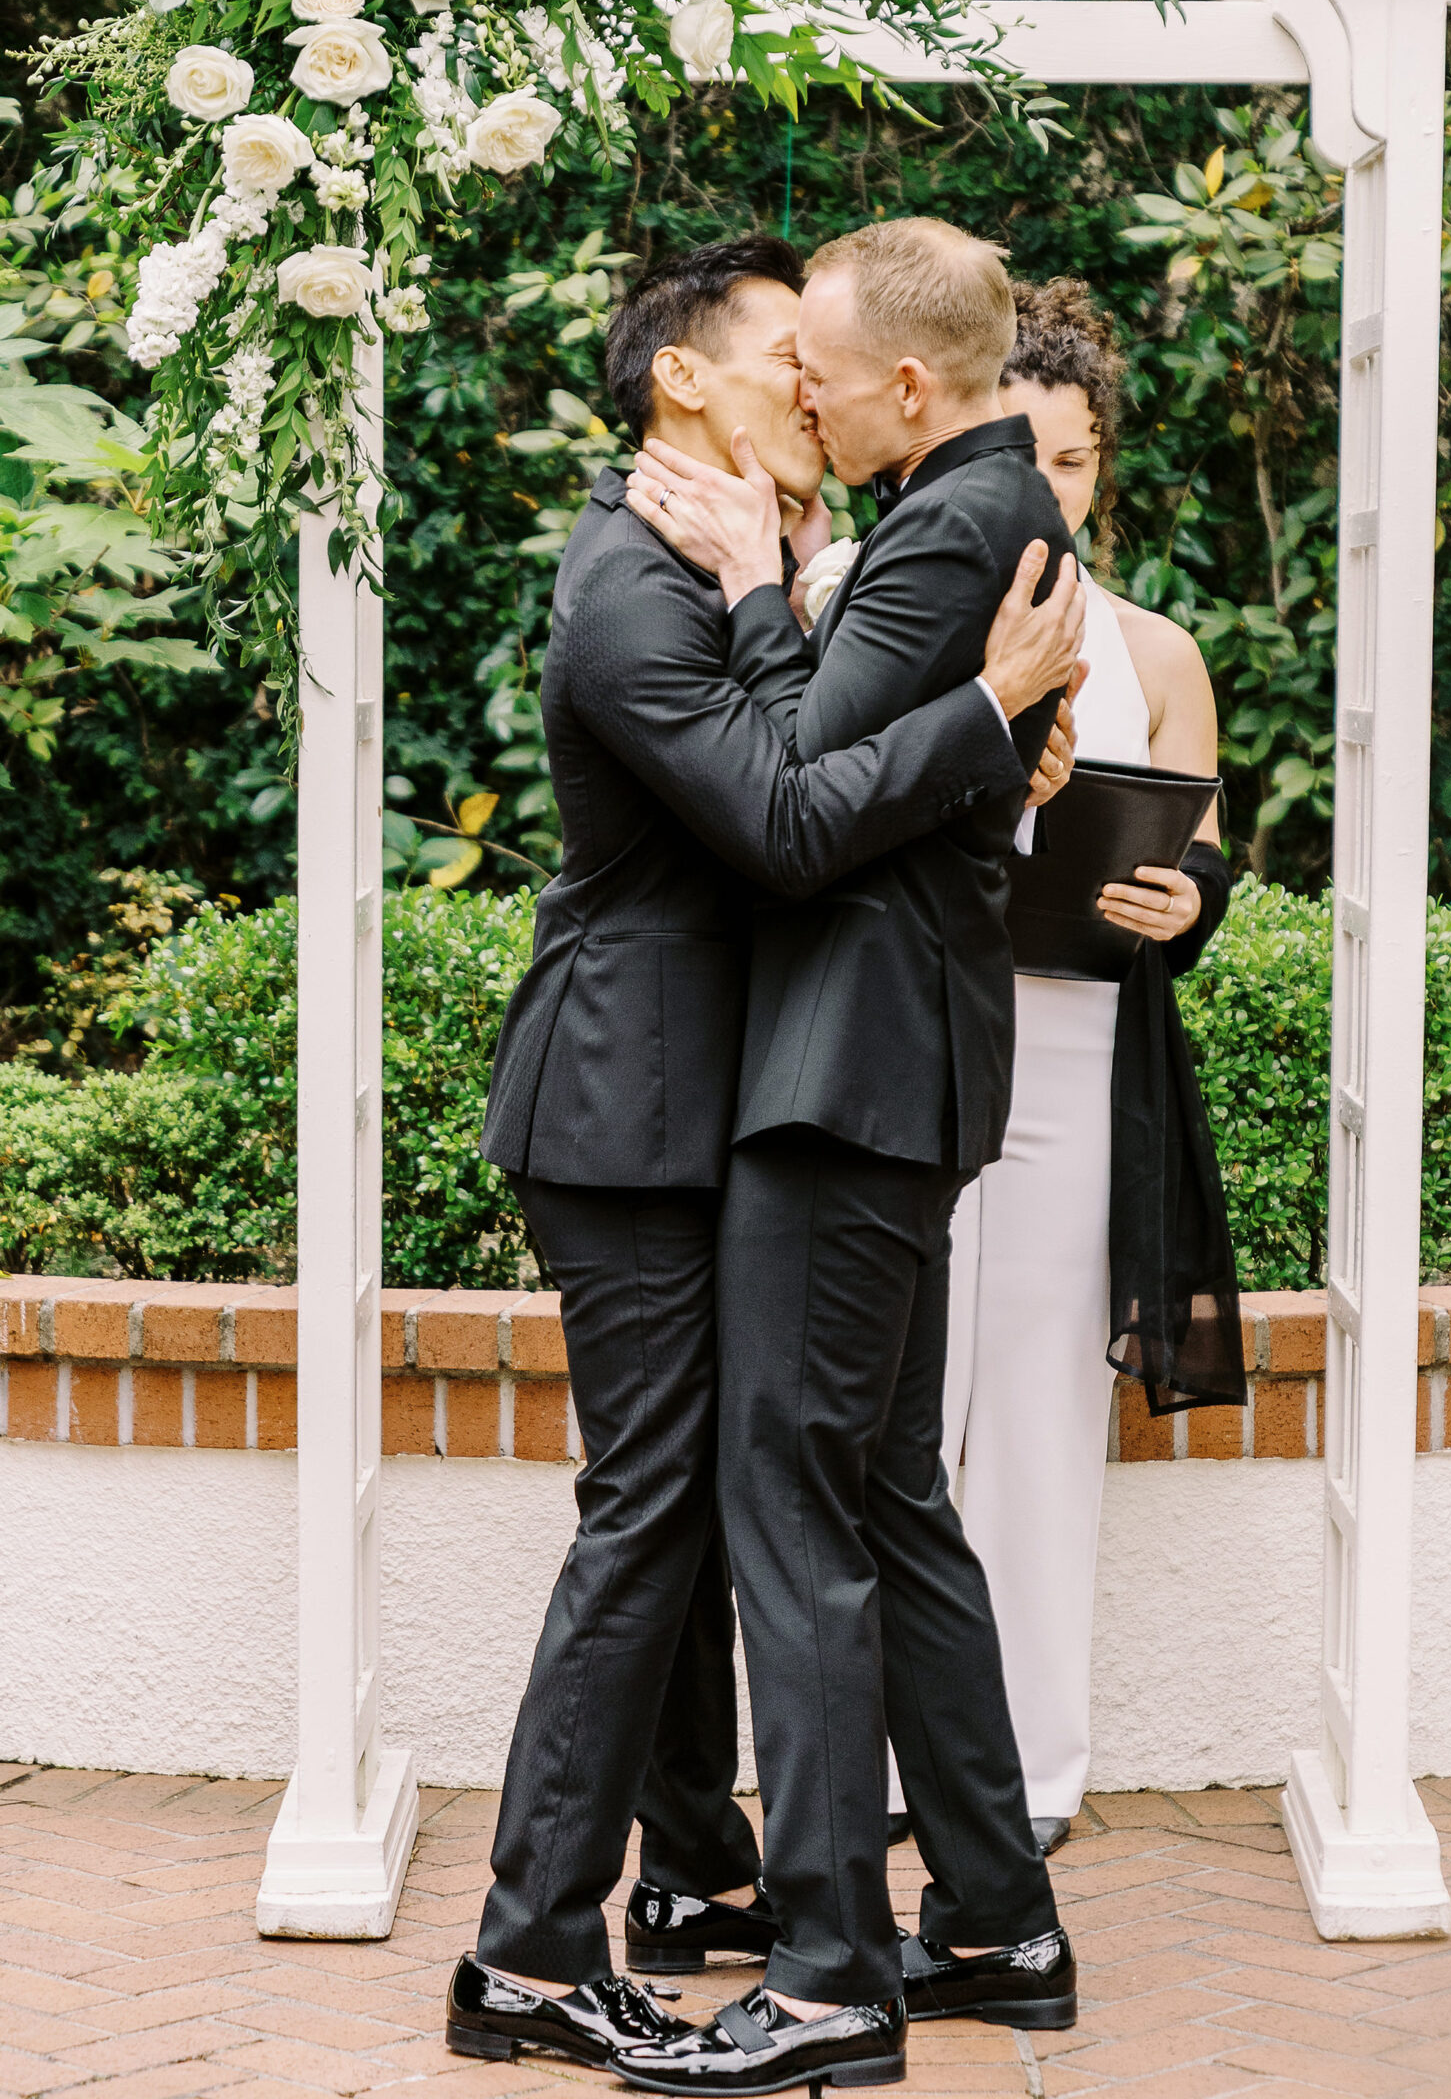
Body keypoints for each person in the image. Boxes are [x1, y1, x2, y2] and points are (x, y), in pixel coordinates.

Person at [446, 236, 1085, 2073]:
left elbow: (816, 770)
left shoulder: (829, 550)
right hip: (637, 1113)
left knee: (791, 1503)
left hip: (777, 1093)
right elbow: (786, 813)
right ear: (686, 389)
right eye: (773, 363)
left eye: (824, 365)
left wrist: (970, 732)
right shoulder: (641, 579)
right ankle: (547, 1945)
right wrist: (973, 727)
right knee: (671, 1514)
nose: (803, 389)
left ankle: (829, 1921)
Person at [903, 276, 1233, 1859]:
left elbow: (1205, 853)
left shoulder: (1159, 649)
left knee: (1037, 1419)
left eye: (1081, 456)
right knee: (897, 1410)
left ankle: (1026, 1776)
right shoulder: (887, 601)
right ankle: (878, 1758)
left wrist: (1187, 897)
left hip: (1077, 1039)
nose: (1057, 486)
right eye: (1028, 452)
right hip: (909, 1035)